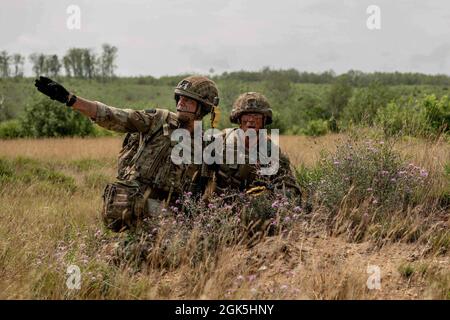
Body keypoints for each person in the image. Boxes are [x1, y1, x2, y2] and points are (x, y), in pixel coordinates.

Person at [34, 75, 219, 232]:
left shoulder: (206, 143)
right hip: (135, 203)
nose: (180, 103)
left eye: (187, 100)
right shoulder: (157, 120)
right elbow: (113, 115)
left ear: (202, 107)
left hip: (172, 214)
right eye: (179, 98)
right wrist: (71, 99)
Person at [211, 92, 301, 203]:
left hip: (255, 211)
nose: (251, 120)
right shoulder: (220, 141)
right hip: (217, 210)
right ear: (238, 119)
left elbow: (290, 190)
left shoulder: (271, 152)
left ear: (264, 120)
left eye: (257, 116)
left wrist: (265, 198)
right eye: (247, 115)